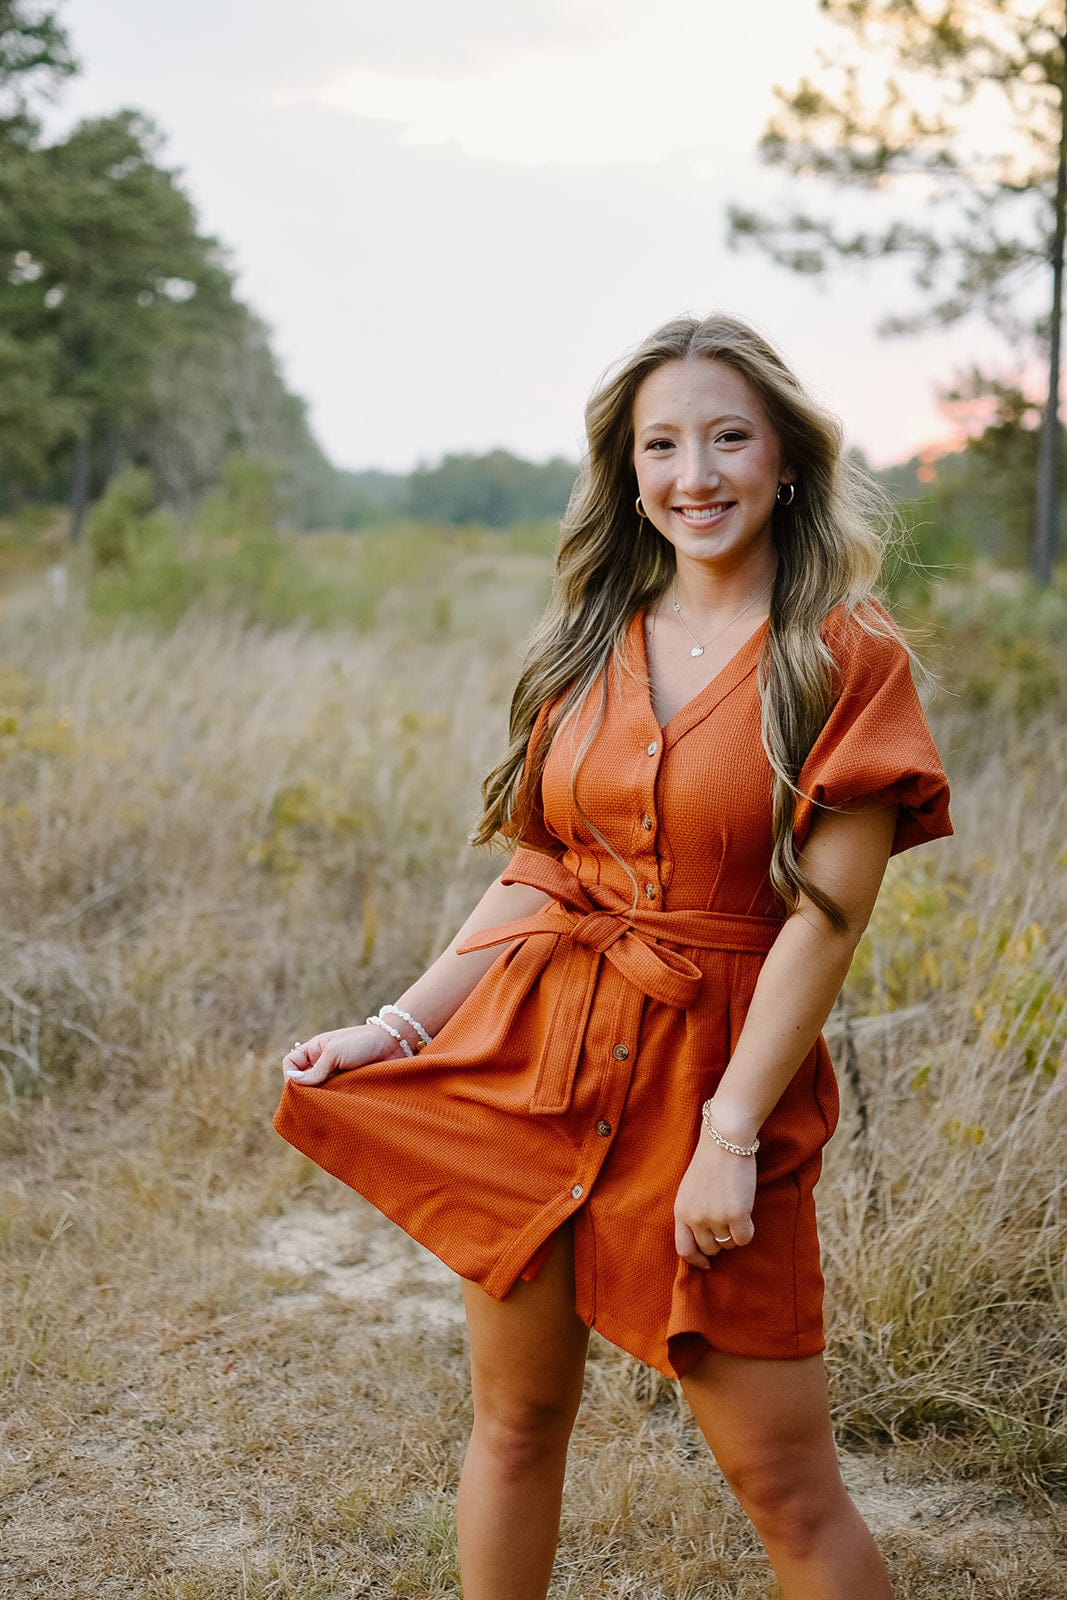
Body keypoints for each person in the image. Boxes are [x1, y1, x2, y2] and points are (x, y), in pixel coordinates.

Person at [275, 313, 952, 1600]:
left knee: (789, 1491)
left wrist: (732, 1132)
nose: (693, 473)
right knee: (516, 1426)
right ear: (626, 471)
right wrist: (397, 1025)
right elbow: (540, 870)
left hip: (711, 1090)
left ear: (786, 457)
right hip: (535, 1071)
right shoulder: (585, 641)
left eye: (725, 437)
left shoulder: (840, 658)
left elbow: (822, 917)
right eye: (660, 444)